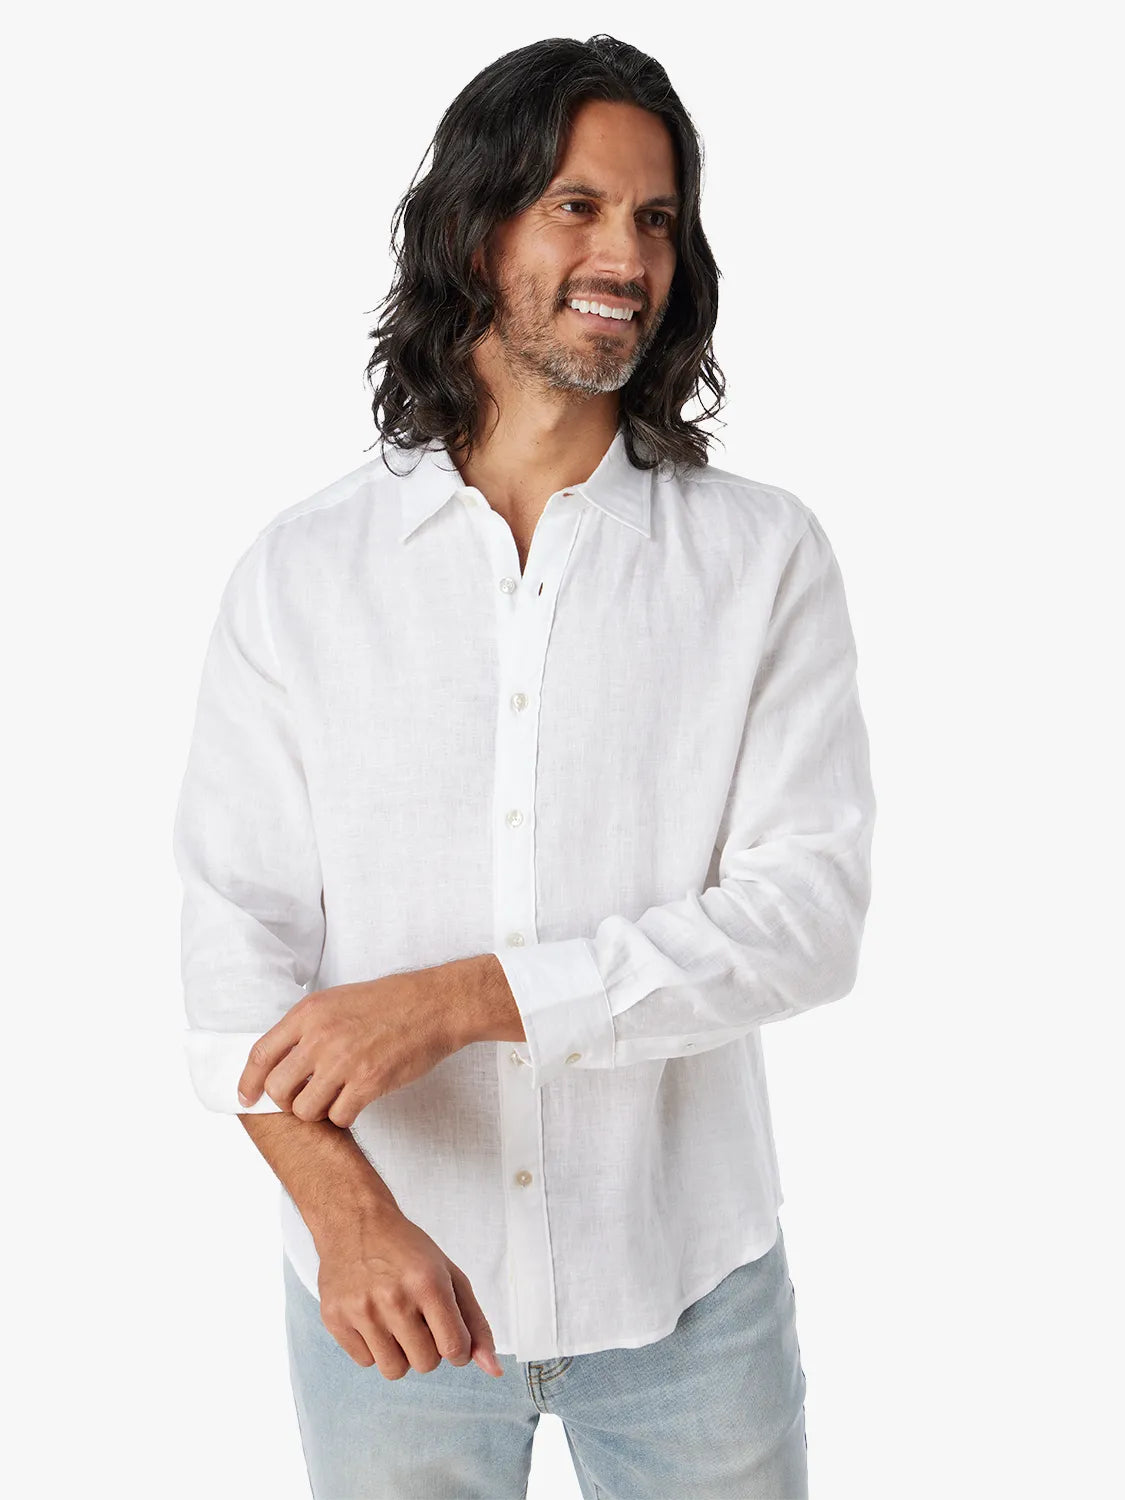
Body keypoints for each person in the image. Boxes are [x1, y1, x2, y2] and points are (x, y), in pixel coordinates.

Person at [172, 32, 876, 1500]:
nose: (626, 255)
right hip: (388, 1301)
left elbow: (805, 920)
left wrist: (467, 1000)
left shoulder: (761, 559)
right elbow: (233, 949)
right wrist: (345, 1219)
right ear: (474, 227)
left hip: (686, 1285)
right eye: (577, 206)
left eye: (656, 218)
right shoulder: (301, 576)